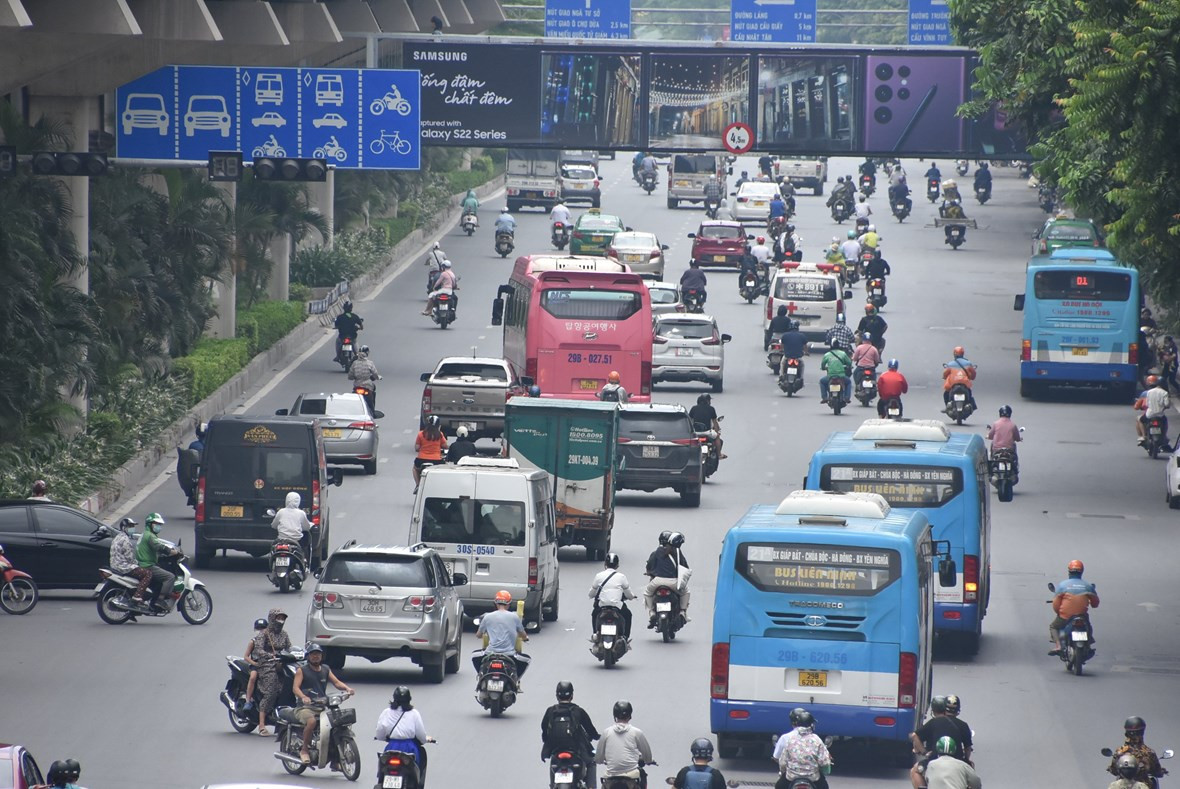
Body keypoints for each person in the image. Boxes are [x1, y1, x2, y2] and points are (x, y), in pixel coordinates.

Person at [292, 642, 354, 764]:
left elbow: (336, 683)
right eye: (313, 654)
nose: (316, 656)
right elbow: (295, 688)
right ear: (308, 656)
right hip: (305, 708)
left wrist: (347, 689)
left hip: (321, 707)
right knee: (311, 722)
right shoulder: (302, 670)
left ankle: (335, 761)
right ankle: (304, 750)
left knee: (336, 724)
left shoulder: (325, 669)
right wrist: (303, 697)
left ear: (322, 656)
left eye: (318, 654)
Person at [541, 682, 600, 785]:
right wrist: (596, 736)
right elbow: (590, 729)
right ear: (572, 695)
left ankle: (552, 785)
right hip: (576, 749)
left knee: (553, 764)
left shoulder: (550, 711)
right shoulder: (578, 711)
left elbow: (544, 730)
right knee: (591, 762)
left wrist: (547, 743)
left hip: (556, 749)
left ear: (557, 695)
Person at [246, 608, 292, 735]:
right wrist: (269, 655)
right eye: (278, 618)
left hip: (282, 664)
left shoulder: (285, 634)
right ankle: (261, 725)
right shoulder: (264, 634)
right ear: (272, 619)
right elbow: (259, 650)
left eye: (283, 618)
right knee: (270, 691)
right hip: (266, 664)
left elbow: (289, 648)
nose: (281, 621)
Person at [376, 686, 435, 782]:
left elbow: (379, 734)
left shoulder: (386, 712)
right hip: (409, 748)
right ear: (409, 699)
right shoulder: (414, 713)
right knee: (417, 767)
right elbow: (421, 736)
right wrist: (425, 739)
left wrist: (384, 737)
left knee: (383, 767)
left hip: (391, 748)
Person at [474, 589, 531, 680]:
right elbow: (522, 634)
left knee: (474, 656)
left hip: (490, 653)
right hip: (509, 654)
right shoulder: (515, 617)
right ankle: (515, 681)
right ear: (509, 604)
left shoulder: (487, 617)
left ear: (496, 603)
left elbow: (478, 635)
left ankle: (482, 677)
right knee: (527, 660)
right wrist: (525, 638)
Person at [1048, 559, 1099, 656]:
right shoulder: (1088, 586)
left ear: (1069, 571)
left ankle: (1058, 646)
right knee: (1088, 626)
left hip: (1065, 617)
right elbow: (1095, 603)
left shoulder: (1063, 585)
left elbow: (1056, 605)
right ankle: (1088, 644)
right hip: (1082, 616)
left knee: (1053, 627)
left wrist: (1059, 612)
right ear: (1082, 571)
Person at [772, 707, 832, 789]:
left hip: (791, 777)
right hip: (813, 778)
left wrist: (784, 772)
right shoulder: (816, 740)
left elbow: (782, 762)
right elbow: (824, 763)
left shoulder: (790, 739)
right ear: (811, 725)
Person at [596, 700, 654, 785]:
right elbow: (648, 757)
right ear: (630, 715)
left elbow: (598, 759)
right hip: (632, 777)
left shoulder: (606, 732)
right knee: (642, 775)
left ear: (615, 715)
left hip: (611, 777)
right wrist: (648, 761)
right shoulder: (637, 733)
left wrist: (604, 759)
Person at [644, 531, 690, 625]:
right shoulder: (677, 552)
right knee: (686, 592)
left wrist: (650, 573)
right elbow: (685, 567)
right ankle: (682, 612)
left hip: (657, 582)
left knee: (647, 593)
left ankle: (652, 613)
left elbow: (649, 566)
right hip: (673, 583)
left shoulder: (658, 551)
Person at [1108, 717, 1169, 788]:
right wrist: (1161, 772)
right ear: (1142, 731)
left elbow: (1114, 771)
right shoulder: (1149, 752)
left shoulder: (1119, 752)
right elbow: (1156, 771)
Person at [135, 513, 176, 611]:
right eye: (156, 524)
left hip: (142, 563)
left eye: (160, 524)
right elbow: (159, 546)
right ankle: (160, 600)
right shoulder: (150, 536)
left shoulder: (145, 534)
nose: (159, 526)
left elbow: (154, 549)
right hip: (147, 565)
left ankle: (152, 601)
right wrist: (172, 551)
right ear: (150, 524)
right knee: (170, 577)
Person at [589, 553, 636, 639]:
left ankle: (595, 635)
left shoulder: (599, 576)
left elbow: (591, 593)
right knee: (628, 615)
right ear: (617, 565)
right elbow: (628, 594)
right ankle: (625, 637)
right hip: (617, 606)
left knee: (594, 614)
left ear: (605, 564)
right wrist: (632, 597)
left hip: (602, 605)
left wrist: (591, 595)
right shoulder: (621, 577)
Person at [109, 516, 152, 607]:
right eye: (130, 526)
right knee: (147, 574)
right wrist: (138, 564)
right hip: (124, 566)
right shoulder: (125, 540)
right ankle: (137, 596)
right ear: (124, 528)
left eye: (133, 526)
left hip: (115, 565)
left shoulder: (117, 537)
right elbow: (130, 558)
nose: (133, 528)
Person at [272, 491, 313, 564]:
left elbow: (274, 525)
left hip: (281, 540)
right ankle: (305, 561)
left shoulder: (281, 512)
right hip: (296, 540)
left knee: (272, 548)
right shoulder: (301, 513)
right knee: (305, 545)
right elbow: (306, 527)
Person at [1134, 374, 1171, 448]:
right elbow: (1167, 404)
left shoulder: (1148, 392)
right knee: (1165, 421)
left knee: (1140, 419)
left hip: (1149, 414)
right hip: (1160, 415)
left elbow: (1146, 404)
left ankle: (1143, 436)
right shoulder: (1164, 393)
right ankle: (1164, 436)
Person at [413, 415, 448, 494]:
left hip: (421, 460)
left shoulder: (421, 434)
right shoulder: (439, 434)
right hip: (436, 460)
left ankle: (418, 484)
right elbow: (445, 446)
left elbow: (417, 448)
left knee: (415, 469)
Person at [986, 405, 1022, 480]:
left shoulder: (996, 424)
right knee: (1014, 456)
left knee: (992, 457)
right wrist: (1019, 439)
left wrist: (988, 436)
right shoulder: (1013, 425)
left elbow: (990, 436)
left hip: (997, 450)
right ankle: (1015, 468)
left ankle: (991, 470)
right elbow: (1017, 438)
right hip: (1009, 450)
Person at [242, 617, 268, 711]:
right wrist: (254, 663)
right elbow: (246, 656)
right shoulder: (252, 642)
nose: (260, 631)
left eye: (263, 628)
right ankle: (248, 700)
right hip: (256, 664)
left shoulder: (270, 642)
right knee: (253, 677)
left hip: (267, 664)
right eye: (258, 628)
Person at [689, 393, 725, 459]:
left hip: (695, 432)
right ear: (707, 401)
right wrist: (717, 432)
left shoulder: (693, 408)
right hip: (707, 432)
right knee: (717, 437)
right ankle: (719, 454)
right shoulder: (711, 409)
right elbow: (715, 422)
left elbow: (690, 421)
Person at [819, 339, 853, 405]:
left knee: (822, 382)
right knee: (848, 382)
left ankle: (824, 397)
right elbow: (849, 362)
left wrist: (824, 368)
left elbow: (823, 365)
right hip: (841, 376)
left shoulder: (827, 355)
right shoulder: (843, 354)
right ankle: (847, 397)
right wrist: (848, 366)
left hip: (830, 376)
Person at [348, 345, 380, 413]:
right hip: (367, 385)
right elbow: (375, 374)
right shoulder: (370, 363)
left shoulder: (354, 363)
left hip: (357, 385)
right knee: (373, 389)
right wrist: (377, 377)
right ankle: (373, 411)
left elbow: (350, 376)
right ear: (367, 353)